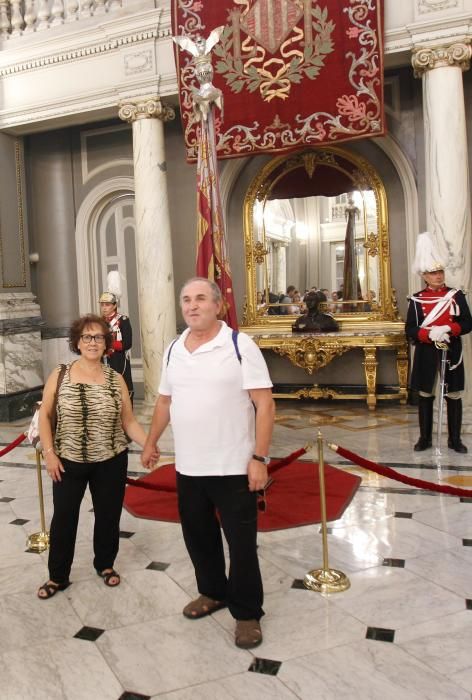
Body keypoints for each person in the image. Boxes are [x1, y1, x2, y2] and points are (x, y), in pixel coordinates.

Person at [142, 277, 275, 649]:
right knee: (198, 538)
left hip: (233, 465)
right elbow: (165, 402)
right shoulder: (173, 348)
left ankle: (247, 613)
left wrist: (259, 458)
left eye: (200, 298)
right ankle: (213, 592)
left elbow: (264, 404)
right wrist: (151, 442)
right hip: (189, 467)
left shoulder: (238, 344)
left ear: (217, 305)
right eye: (186, 299)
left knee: (242, 545)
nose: (192, 305)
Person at [37, 314, 156, 599]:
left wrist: (148, 443)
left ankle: (105, 564)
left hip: (111, 460)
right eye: (87, 337)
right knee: (64, 517)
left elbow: (128, 421)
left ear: (107, 344)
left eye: (99, 337)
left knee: (107, 515)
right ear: (77, 342)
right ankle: (57, 576)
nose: (92, 342)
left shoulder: (116, 379)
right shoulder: (60, 373)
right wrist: (50, 454)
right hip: (67, 460)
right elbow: (45, 415)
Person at [405, 232, 472, 453]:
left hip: (451, 350)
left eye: (440, 271)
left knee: (453, 394)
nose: (438, 276)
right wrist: (428, 334)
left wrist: (448, 329)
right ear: (424, 276)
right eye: (434, 273)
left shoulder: (456, 295)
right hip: (427, 351)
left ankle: (454, 440)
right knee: (425, 394)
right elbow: (411, 329)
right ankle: (425, 438)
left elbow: (468, 323)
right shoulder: (416, 299)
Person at [99, 273, 134, 401]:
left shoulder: (123, 320)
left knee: (123, 391)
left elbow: (127, 343)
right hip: (103, 360)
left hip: (119, 361)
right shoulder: (99, 322)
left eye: (107, 304)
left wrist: (108, 344)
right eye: (102, 304)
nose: (104, 308)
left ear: (114, 305)